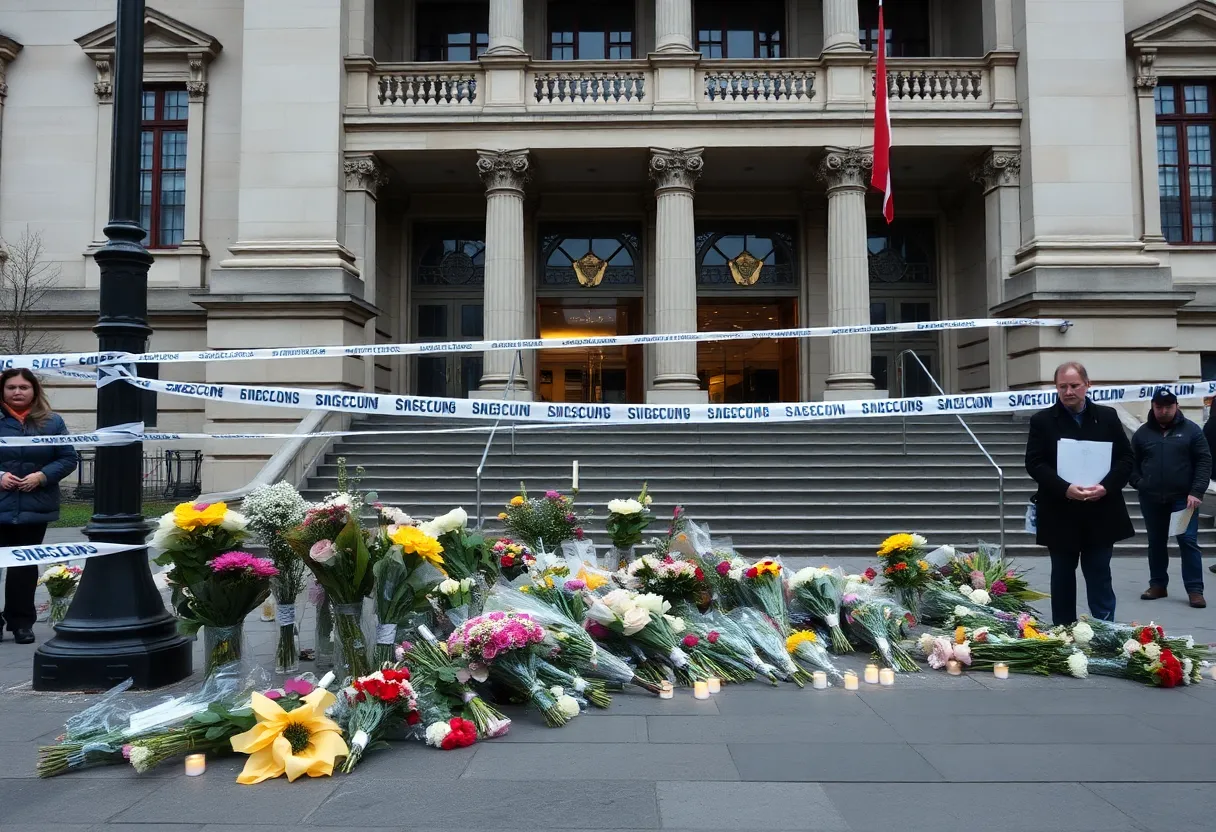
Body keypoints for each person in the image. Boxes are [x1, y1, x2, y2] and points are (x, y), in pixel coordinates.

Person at [1025, 361, 1134, 625]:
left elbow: (1126, 459)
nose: (1068, 391)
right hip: (1060, 512)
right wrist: (1065, 489)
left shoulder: (1107, 417)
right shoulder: (1042, 421)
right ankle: (1063, 631)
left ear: (1087, 385)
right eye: (1062, 386)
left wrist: (1106, 486)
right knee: (1062, 575)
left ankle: (1105, 628)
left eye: (1074, 385)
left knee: (1099, 573)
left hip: (1101, 511)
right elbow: (1035, 463)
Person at [0, 368, 78, 645]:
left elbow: (68, 457)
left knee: (24, 567)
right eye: (11, 387)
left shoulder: (52, 422)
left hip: (35, 506)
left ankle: (21, 622)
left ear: (34, 390)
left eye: (23, 387)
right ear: (3, 390)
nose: (17, 392)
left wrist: (42, 476)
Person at [1131, 388, 1212, 608]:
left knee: (1187, 541)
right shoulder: (1142, 434)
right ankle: (1158, 585)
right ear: (1153, 407)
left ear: (1176, 406)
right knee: (1156, 543)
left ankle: (1195, 590)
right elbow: (1131, 463)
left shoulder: (1191, 431)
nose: (1164, 411)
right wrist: (1139, 483)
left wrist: (1196, 492)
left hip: (1182, 501)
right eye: (1159, 407)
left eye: (1168, 406)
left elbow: (1204, 462)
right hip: (1152, 499)